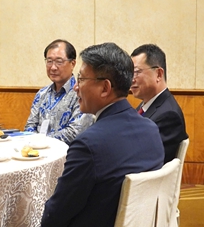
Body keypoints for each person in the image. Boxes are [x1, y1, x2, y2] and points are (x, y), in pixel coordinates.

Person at [41, 42, 164, 227]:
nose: (76, 88)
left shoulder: (88, 145)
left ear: (105, 88)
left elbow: (55, 216)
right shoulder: (151, 130)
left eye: (81, 79)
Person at [24, 39, 94, 144]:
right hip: (37, 153)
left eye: (59, 62)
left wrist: (42, 142)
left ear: (72, 63)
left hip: (68, 155)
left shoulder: (81, 93)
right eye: (49, 61)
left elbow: (75, 132)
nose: (53, 67)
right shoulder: (41, 94)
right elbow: (30, 126)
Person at [131, 44, 188, 163]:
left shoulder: (169, 116)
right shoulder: (145, 106)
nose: (131, 79)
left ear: (158, 74)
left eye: (136, 72)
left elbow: (145, 160)